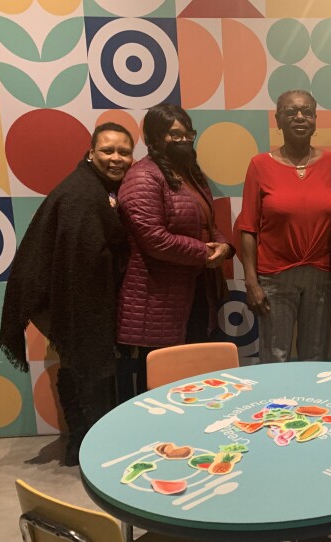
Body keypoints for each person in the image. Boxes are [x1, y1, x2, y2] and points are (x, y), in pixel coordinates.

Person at [0, 122, 135, 465]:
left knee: (75, 371)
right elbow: (83, 260)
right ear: (90, 153)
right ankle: (95, 450)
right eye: (107, 150)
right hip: (81, 304)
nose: (116, 158)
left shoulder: (94, 188)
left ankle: (78, 445)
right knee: (92, 372)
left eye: (124, 151)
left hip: (74, 302)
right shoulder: (83, 195)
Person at [116, 103, 234, 401]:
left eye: (188, 133)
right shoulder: (142, 176)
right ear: (154, 139)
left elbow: (207, 224)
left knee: (197, 382)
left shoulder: (191, 174)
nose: (183, 140)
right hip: (158, 299)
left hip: (194, 293)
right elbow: (153, 238)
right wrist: (204, 253)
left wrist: (224, 246)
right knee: (161, 388)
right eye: (174, 134)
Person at [237, 90, 331, 362]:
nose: (299, 117)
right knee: (275, 357)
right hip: (274, 278)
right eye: (290, 112)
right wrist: (251, 283)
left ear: (316, 120)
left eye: (306, 111)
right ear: (278, 120)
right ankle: (277, 406)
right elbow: (248, 228)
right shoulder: (259, 165)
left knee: (315, 357)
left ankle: (311, 406)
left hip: (321, 275)